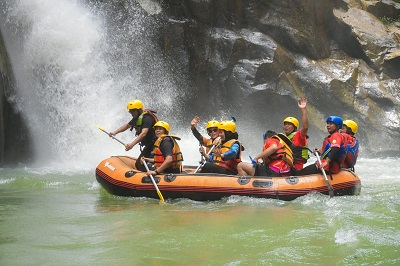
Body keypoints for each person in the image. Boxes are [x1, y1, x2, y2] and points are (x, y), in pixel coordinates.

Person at [109, 100, 158, 171]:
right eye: (130, 111)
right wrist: (115, 132)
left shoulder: (147, 118)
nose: (131, 113)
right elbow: (127, 126)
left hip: (156, 145)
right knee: (138, 164)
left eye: (133, 111)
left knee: (143, 164)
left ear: (139, 110)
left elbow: (144, 133)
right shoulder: (137, 118)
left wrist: (132, 144)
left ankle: (157, 172)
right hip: (149, 146)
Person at [283, 97, 309, 172]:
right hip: (285, 165)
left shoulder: (298, 136)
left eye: (289, 125)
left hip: (296, 168)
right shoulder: (283, 138)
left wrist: (303, 110)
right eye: (285, 124)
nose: (286, 126)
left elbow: (305, 127)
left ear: (294, 127)